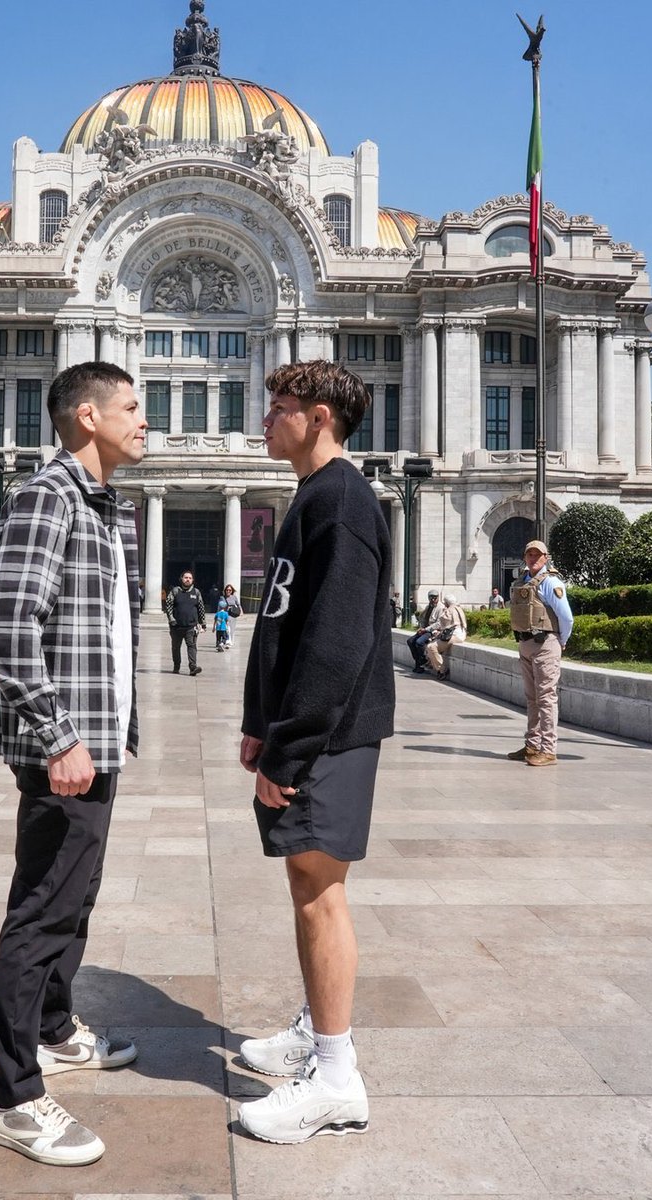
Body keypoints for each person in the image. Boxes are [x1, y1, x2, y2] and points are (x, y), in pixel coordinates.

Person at [0, 361, 146, 1167]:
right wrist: (60, 739)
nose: (143, 421)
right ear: (87, 416)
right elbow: (7, 629)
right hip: (64, 751)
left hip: (94, 744)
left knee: (75, 901)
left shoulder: (106, 505)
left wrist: (111, 733)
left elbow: (106, 630)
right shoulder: (49, 493)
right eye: (131, 407)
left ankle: (51, 1030)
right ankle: (12, 1095)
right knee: (42, 910)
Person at [236, 360, 395, 1145]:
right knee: (308, 884)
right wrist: (261, 719)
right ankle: (315, 1026)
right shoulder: (314, 496)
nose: (267, 418)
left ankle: (336, 1077)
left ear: (322, 416)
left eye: (282, 407)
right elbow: (284, 619)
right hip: (309, 732)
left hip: (330, 736)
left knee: (320, 893)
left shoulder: (342, 501)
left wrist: (288, 751)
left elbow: (336, 644)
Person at [507, 539, 574, 767]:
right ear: (525, 557)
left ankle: (548, 750)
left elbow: (566, 617)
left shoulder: (550, 582)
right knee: (532, 698)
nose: (533, 558)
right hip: (526, 643)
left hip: (545, 643)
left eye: (538, 555)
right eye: (530, 554)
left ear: (546, 557)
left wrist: (561, 641)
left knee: (546, 698)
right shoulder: (524, 581)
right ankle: (532, 745)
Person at [164, 569, 206, 675]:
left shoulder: (196, 592)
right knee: (175, 647)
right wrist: (171, 619)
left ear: (193, 580)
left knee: (192, 646)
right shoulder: (175, 591)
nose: (188, 580)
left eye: (190, 578)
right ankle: (176, 666)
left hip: (191, 626)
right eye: (186, 577)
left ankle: (193, 667)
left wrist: (203, 622)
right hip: (176, 626)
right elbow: (168, 606)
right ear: (181, 579)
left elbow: (201, 608)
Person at [423, 592, 468, 680]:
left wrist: (444, 611)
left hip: (455, 635)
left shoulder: (450, 610)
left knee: (431, 647)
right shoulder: (458, 608)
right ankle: (431, 663)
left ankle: (442, 670)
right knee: (434, 643)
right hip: (459, 634)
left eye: (444, 603)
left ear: (447, 603)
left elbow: (443, 622)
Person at [406, 589, 442, 673]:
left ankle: (423, 661)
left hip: (432, 631)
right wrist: (421, 627)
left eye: (435, 598)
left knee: (419, 642)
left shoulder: (440, 608)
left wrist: (425, 629)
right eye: (431, 597)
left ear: (438, 598)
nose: (433, 600)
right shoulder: (428, 607)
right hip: (424, 630)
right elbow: (423, 619)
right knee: (410, 641)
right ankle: (418, 662)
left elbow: (438, 624)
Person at [222, 582, 242, 647]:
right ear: (225, 591)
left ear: (232, 591)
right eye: (227, 590)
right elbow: (220, 606)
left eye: (230, 590)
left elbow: (238, 605)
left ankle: (231, 641)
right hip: (226, 615)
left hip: (233, 615)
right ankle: (228, 641)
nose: (228, 591)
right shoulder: (223, 597)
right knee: (227, 629)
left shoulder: (234, 597)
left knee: (232, 629)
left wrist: (241, 611)